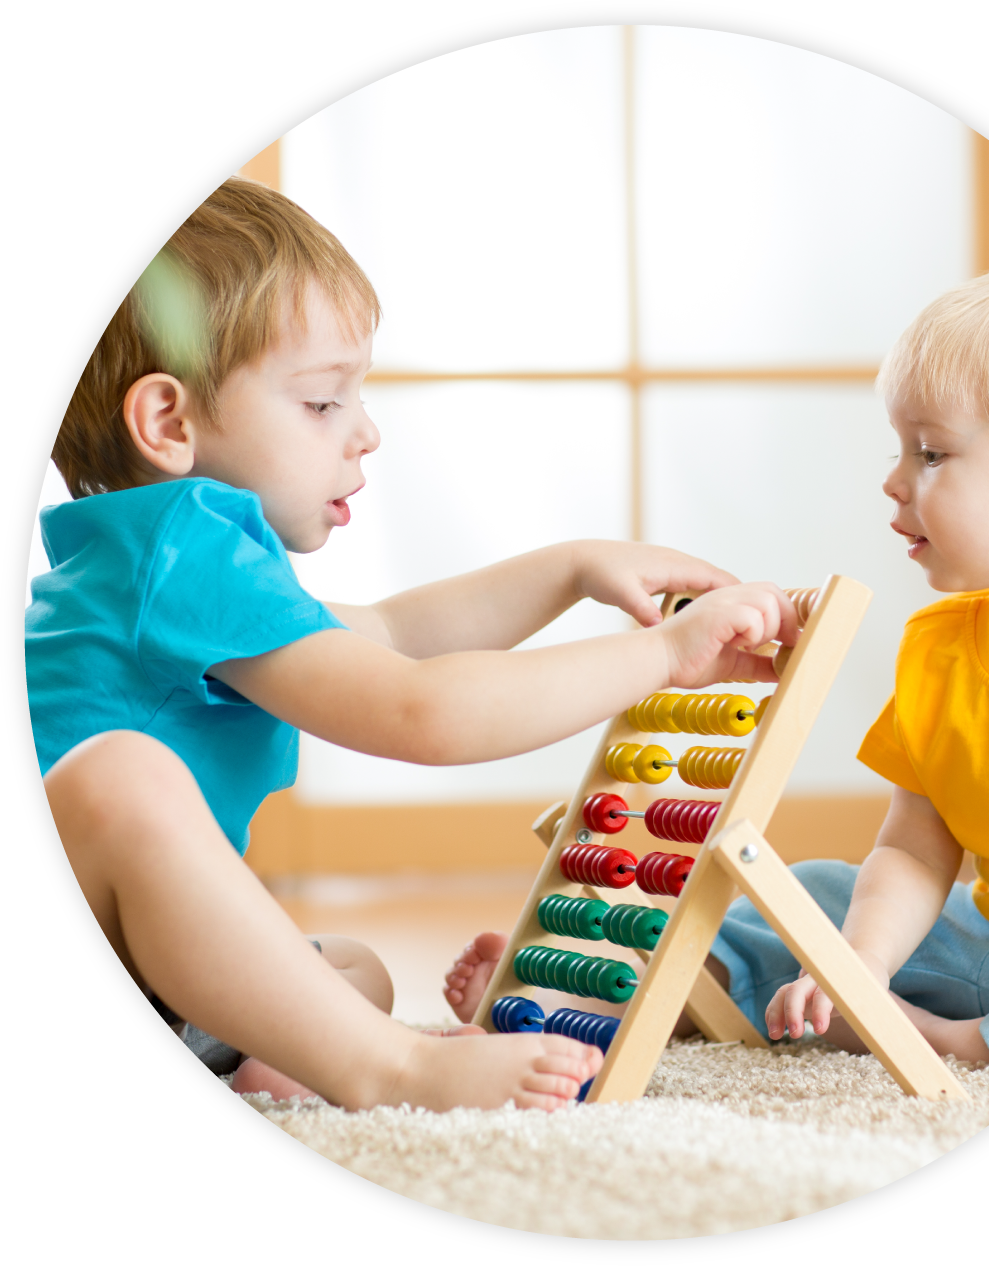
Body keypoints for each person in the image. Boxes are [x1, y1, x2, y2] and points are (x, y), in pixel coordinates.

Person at [28, 177, 801, 1112]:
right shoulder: (181, 553)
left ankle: (288, 1056)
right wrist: (664, 658)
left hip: (146, 963)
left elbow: (394, 633)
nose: (366, 433)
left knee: (349, 969)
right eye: (323, 403)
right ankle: (394, 1069)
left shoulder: (158, 562)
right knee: (120, 775)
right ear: (169, 423)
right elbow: (422, 711)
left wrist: (571, 569)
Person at [445, 241, 989, 1069]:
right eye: (900, 449)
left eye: (931, 453)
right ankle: (655, 990)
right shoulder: (938, 647)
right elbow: (915, 846)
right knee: (814, 890)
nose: (894, 481)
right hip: (981, 935)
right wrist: (862, 959)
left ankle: (948, 1041)